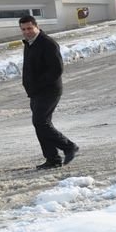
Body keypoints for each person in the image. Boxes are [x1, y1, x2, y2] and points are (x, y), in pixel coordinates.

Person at [19, 16, 79, 170]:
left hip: (49, 90)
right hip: (36, 91)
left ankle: (69, 146)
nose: (27, 32)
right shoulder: (29, 43)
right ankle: (52, 158)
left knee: (41, 122)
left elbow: (57, 69)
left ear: (36, 26)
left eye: (29, 28)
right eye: (24, 29)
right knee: (40, 124)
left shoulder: (47, 43)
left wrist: (38, 85)